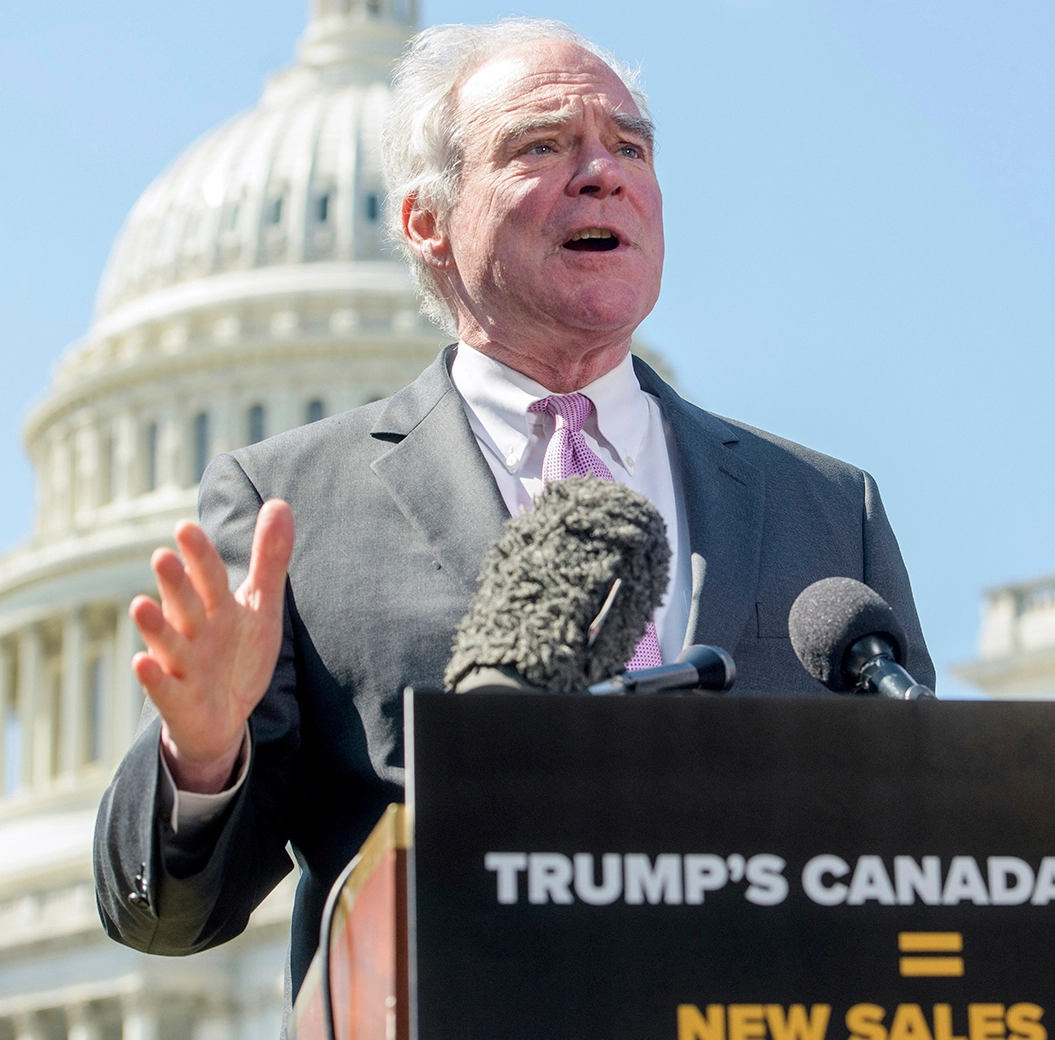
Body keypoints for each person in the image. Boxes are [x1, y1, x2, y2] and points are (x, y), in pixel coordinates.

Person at [93, 17, 933, 1003]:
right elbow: (167, 915)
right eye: (542, 144)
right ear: (427, 221)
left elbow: (917, 853)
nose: (603, 173)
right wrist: (202, 757)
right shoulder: (295, 507)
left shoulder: (825, 507)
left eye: (630, 148)